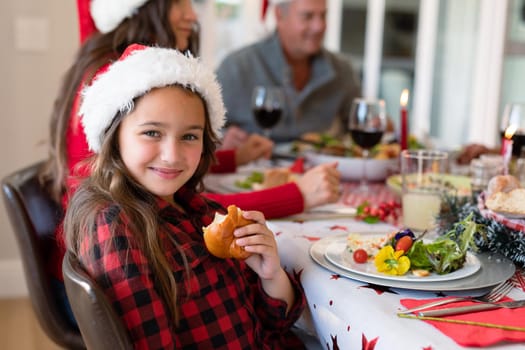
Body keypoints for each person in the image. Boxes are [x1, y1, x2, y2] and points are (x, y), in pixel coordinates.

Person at [39, 0, 340, 328]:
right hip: (102, 284)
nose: (193, 15)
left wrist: (232, 158)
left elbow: (161, 162)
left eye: (191, 137)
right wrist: (295, 195)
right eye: (180, 2)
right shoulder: (116, 79)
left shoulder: (181, 199)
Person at [64, 43, 306, 348]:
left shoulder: (199, 209)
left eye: (189, 136)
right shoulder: (115, 226)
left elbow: (277, 323)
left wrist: (271, 275)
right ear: (115, 136)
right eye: (152, 132)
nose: (171, 155)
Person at [216, 0, 361, 145]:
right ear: (279, 16)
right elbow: (204, 132)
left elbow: (359, 126)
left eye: (323, 15)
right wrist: (223, 139)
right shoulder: (236, 68)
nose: (319, 26)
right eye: (308, 16)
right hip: (254, 166)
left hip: (321, 166)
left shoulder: (342, 70)